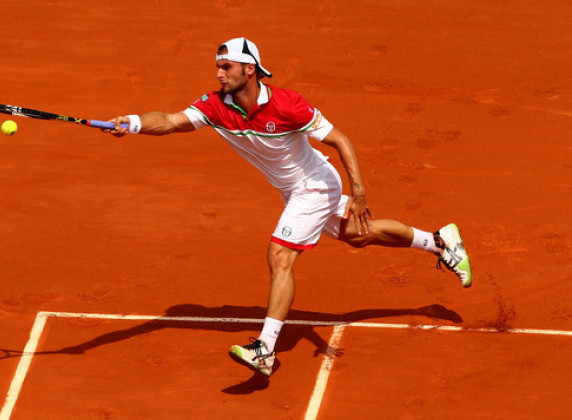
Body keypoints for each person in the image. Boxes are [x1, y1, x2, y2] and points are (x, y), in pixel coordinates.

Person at [105, 37, 471, 377]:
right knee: (358, 235)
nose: (219, 74)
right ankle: (439, 241)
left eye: (226, 67)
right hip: (293, 191)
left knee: (280, 255)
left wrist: (359, 191)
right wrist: (133, 123)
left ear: (250, 69)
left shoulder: (287, 104)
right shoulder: (216, 106)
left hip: (314, 184)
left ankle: (265, 348)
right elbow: (169, 121)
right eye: (217, 67)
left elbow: (341, 139)